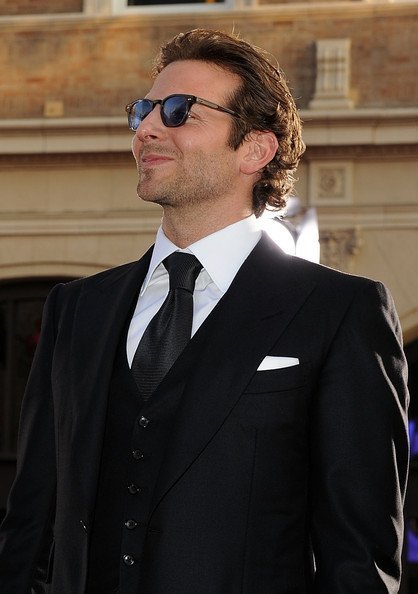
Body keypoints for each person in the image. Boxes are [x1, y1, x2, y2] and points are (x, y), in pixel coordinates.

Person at [0, 28, 409, 594]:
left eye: (178, 111)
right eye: (142, 111)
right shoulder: (77, 310)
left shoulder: (340, 311)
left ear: (255, 149)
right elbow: (30, 531)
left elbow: (358, 561)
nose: (146, 129)